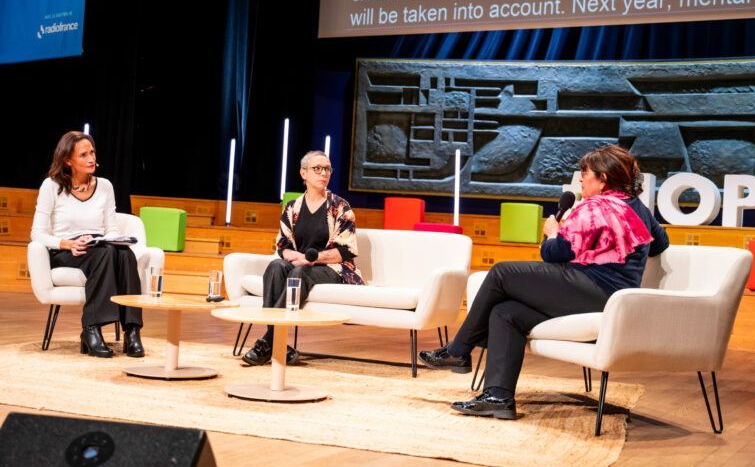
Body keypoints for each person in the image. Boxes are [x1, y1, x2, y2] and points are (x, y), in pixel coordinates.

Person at [419, 145, 669, 420]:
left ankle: (458, 350)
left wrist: (553, 233)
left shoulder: (595, 208)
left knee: (502, 272)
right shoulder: (637, 209)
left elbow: (552, 254)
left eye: (585, 174)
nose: (581, 179)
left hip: (596, 291)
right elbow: (660, 243)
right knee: (507, 313)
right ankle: (497, 397)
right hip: (610, 297)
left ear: (603, 179)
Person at [242, 150, 366, 366]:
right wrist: (297, 256)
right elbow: (283, 245)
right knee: (275, 266)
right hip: (300, 263)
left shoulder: (340, 207)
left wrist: (312, 259)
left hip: (334, 269)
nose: (323, 173)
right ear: (303, 173)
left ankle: (267, 342)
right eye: (317, 168)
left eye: (327, 169)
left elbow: (346, 251)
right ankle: (278, 343)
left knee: (299, 273)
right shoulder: (292, 207)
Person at [31, 131, 144, 358]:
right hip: (66, 249)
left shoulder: (105, 186)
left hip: (98, 244)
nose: (91, 158)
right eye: (83, 155)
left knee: (125, 255)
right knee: (106, 255)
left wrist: (111, 239)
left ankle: (132, 331)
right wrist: (66, 243)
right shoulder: (51, 186)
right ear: (68, 160)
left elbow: (111, 227)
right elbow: (37, 233)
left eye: (92, 152)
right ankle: (91, 328)